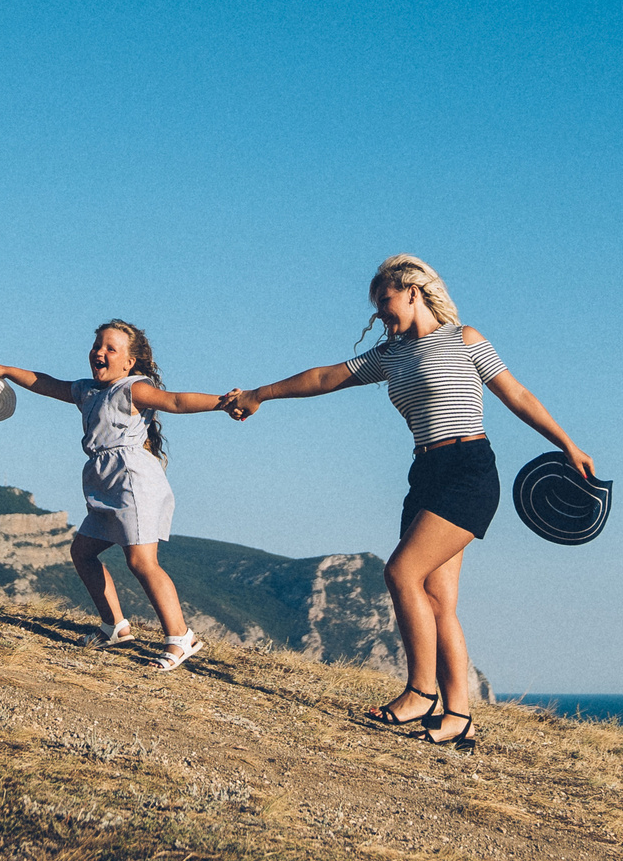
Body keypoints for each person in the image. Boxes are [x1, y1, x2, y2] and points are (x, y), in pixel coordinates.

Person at [221, 254, 595, 748]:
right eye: (377, 308)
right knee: (438, 599)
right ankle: (459, 715)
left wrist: (566, 444)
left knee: (400, 574)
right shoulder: (391, 355)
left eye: (386, 302)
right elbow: (325, 378)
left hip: (469, 469)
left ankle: (421, 691)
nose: (381, 315)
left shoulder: (465, 340)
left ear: (413, 291)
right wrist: (259, 394)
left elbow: (517, 394)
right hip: (425, 475)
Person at [0, 320, 229, 673]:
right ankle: (115, 627)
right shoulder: (87, 390)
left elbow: (176, 401)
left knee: (142, 561)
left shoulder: (132, 389)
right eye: (97, 346)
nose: (100, 352)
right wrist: (5, 370)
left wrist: (224, 403)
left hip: (132, 479)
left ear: (129, 362)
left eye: (111, 349)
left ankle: (180, 636)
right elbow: (47, 383)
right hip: (102, 479)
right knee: (83, 552)